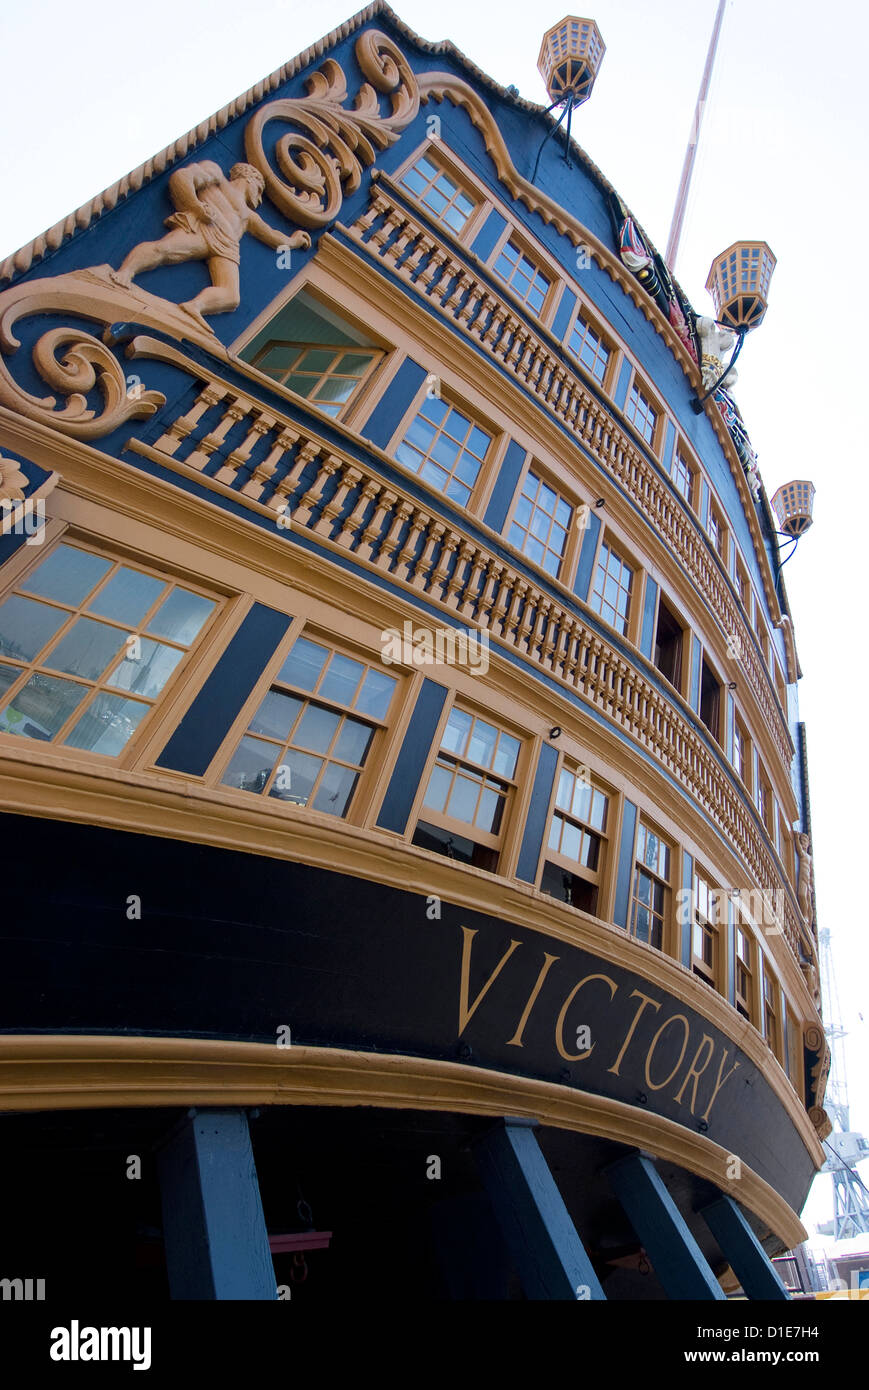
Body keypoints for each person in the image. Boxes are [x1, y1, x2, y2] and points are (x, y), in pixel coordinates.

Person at [111, 161, 311, 328]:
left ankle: (194, 306)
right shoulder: (217, 179)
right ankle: (125, 272)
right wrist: (195, 206)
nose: (259, 200)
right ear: (249, 178)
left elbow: (272, 235)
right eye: (258, 190)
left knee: (231, 296)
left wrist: (293, 241)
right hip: (205, 228)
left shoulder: (249, 216)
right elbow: (182, 178)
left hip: (227, 248)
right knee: (163, 250)